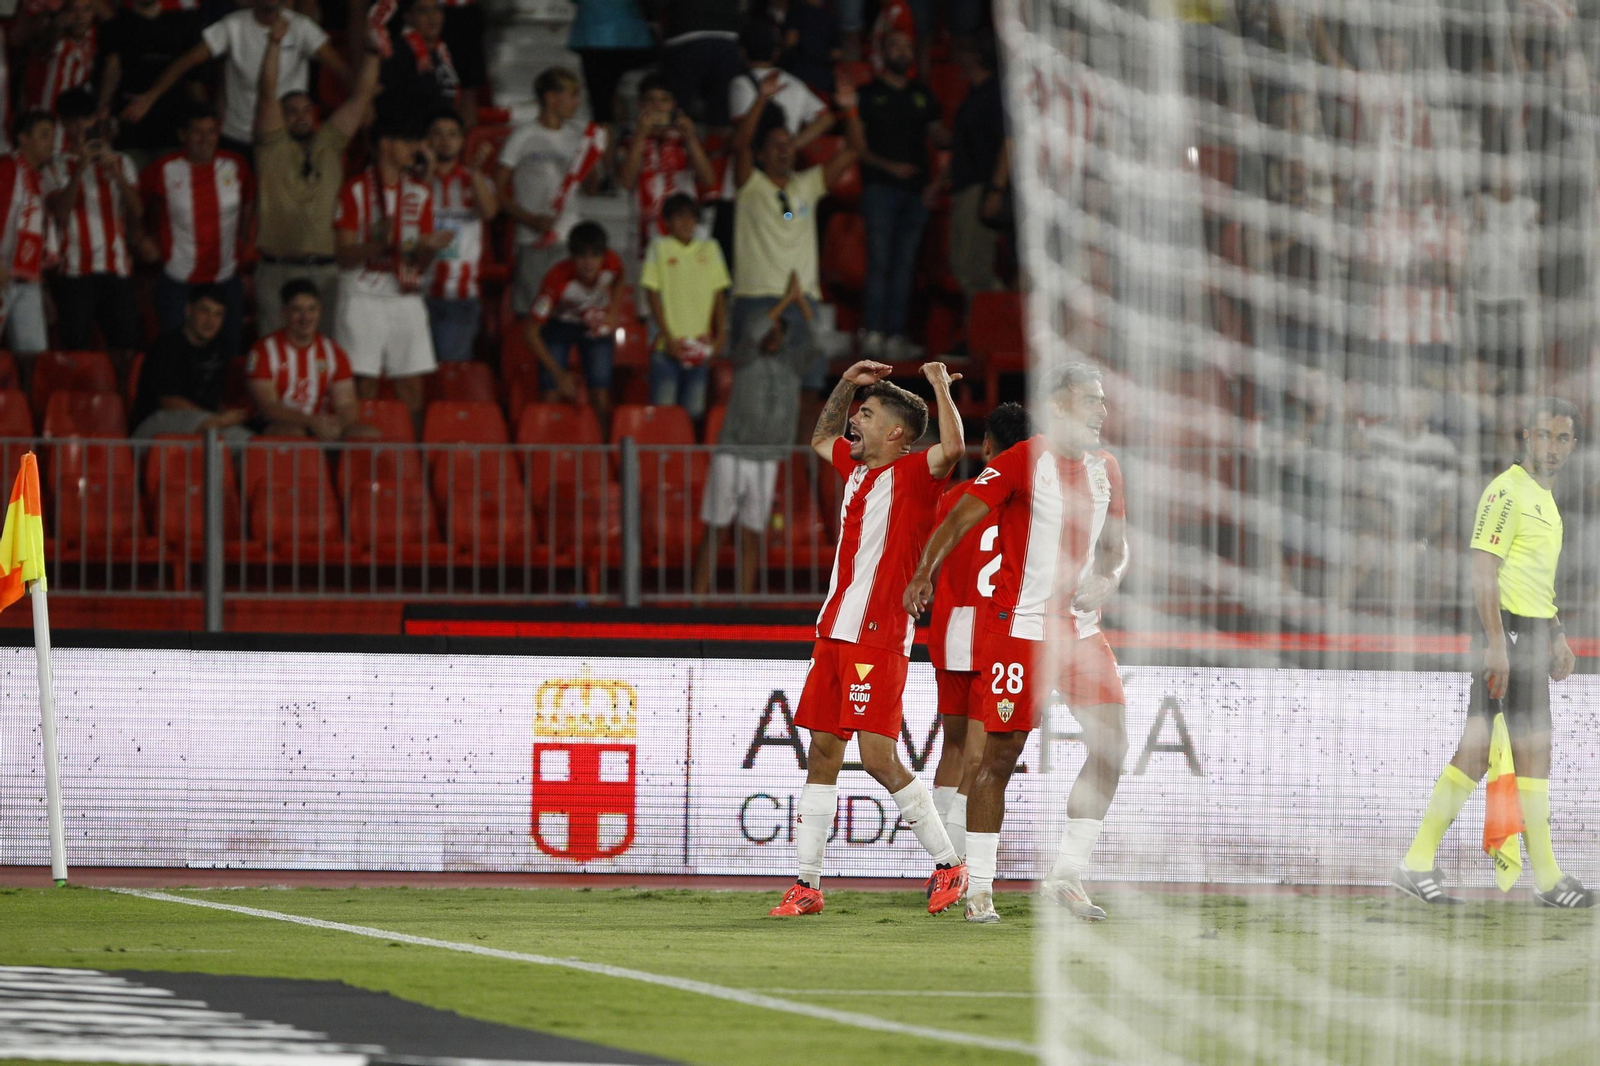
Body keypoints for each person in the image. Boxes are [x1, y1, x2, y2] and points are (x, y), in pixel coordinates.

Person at [905, 362, 1130, 924]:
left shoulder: (1106, 468)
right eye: (1091, 400)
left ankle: (1066, 876)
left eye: (1103, 400)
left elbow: (1116, 547)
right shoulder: (1023, 460)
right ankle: (979, 888)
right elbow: (959, 518)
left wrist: (1110, 578)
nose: (1101, 410)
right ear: (1059, 405)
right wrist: (924, 572)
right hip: (1021, 630)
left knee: (1112, 747)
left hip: (1080, 631)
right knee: (999, 758)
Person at [767, 357, 968, 919]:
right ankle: (807, 885)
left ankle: (949, 864)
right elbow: (820, 438)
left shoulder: (916, 473)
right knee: (822, 754)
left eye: (869, 413)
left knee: (877, 756)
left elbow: (953, 447)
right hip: (833, 631)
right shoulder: (856, 470)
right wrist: (845, 383)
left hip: (878, 636)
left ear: (896, 433)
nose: (856, 419)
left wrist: (937, 386)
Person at [1394, 398, 1591, 908]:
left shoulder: (1545, 500)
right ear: (1526, 437)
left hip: (1530, 637)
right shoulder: (1506, 491)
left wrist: (1556, 632)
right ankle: (1539, 878)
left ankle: (1426, 864)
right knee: (1506, 749)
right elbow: (1483, 569)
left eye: (1562, 438)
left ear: (1573, 444)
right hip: (1507, 638)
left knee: (1506, 751)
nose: (1552, 447)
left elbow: (1532, 580)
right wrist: (1497, 642)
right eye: (1543, 435)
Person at [925, 402, 1029, 858]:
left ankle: (940, 862)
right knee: (978, 757)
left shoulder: (954, 499)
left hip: (951, 632)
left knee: (951, 748)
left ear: (987, 447)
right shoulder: (1030, 501)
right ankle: (958, 864)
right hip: (996, 636)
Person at [730, 72, 860, 396]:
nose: (784, 149)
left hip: (803, 300)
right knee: (753, 386)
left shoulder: (808, 184)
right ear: (761, 155)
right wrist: (761, 99)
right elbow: (740, 144)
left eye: (788, 143)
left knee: (809, 386)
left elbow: (854, 148)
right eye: (775, 145)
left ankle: (802, 435)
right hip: (756, 297)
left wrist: (850, 110)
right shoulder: (750, 186)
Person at [255, 33, 382, 337]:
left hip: (326, 271)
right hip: (277, 268)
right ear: (280, 117)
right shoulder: (271, 147)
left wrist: (372, 50)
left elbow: (361, 97)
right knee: (273, 352)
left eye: (306, 110)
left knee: (325, 351)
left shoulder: (330, 143)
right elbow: (267, 93)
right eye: (291, 111)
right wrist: (274, 44)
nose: (301, 117)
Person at [691, 272, 808, 597]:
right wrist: (786, 301)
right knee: (716, 529)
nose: (771, 334)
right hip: (732, 453)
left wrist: (800, 304)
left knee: (753, 534)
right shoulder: (745, 357)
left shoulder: (792, 366)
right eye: (768, 329)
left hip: (767, 459)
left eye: (778, 331)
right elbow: (754, 328)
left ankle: (743, 605)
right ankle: (696, 603)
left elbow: (815, 344)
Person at [333, 113, 451, 420]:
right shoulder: (354, 190)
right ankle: (357, 447)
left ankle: (411, 449)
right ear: (385, 144)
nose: (415, 148)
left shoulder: (419, 193)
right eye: (408, 141)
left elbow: (418, 263)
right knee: (363, 384)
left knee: (411, 384)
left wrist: (428, 249)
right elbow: (342, 255)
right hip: (361, 293)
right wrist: (376, 244)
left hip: (405, 294)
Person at [121, 0, 350, 157]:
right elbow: (187, 61)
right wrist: (150, 97)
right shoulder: (233, 25)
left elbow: (342, 69)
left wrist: (363, 104)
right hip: (238, 138)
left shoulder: (301, 27)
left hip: (285, 140)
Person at [850, 28, 943, 360]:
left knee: (905, 266)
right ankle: (874, 333)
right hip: (879, 187)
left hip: (916, 191)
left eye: (906, 46)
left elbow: (940, 137)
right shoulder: (868, 93)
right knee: (880, 262)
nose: (902, 52)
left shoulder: (922, 94)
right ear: (882, 53)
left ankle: (896, 335)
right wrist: (891, 168)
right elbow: (858, 146)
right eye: (895, 46)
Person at [141, 108, 253, 358]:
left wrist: (244, 236)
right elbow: (135, 202)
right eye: (197, 132)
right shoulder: (164, 168)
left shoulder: (236, 164)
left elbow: (249, 200)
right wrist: (140, 237)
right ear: (183, 135)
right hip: (179, 278)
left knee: (229, 354)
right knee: (174, 354)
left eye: (211, 131)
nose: (205, 139)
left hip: (225, 276)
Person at [42, 88, 142, 357]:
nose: (79, 128)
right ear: (63, 124)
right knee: (76, 349)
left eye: (84, 120)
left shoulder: (121, 161)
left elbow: (137, 210)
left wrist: (117, 175)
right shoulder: (54, 168)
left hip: (116, 267)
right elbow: (60, 214)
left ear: (94, 120)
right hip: (74, 269)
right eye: (72, 122)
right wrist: (79, 170)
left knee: (125, 348)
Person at [499, 68, 604, 320]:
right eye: (572, 95)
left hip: (571, 240)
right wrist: (532, 220)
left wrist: (590, 158)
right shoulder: (523, 136)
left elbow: (590, 190)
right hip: (533, 240)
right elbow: (498, 191)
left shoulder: (576, 136)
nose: (577, 103)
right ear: (551, 98)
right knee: (533, 314)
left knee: (569, 316)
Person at [246, 278, 374, 440]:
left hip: (319, 424)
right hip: (277, 424)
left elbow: (346, 404)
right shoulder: (263, 350)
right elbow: (268, 408)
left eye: (312, 309)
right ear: (284, 313)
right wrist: (311, 421)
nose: (305, 317)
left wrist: (337, 424)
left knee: (366, 435)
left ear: (319, 311)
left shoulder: (334, 352)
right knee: (294, 434)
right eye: (297, 310)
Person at [524, 221, 625, 425]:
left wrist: (613, 312)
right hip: (559, 325)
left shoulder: (613, 263)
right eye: (582, 256)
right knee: (551, 392)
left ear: (603, 256)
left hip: (594, 324)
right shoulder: (555, 280)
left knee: (600, 392)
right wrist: (559, 374)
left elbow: (620, 279)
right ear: (572, 256)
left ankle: (603, 443)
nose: (589, 263)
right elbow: (530, 333)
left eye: (595, 256)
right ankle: (547, 441)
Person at [929, 33, 1004, 303]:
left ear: (976, 57)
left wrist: (995, 190)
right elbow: (962, 148)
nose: (957, 58)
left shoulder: (994, 94)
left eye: (963, 51)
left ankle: (1001, 319)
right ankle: (984, 322)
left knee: (975, 270)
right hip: (965, 187)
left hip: (980, 187)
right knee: (962, 266)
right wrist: (937, 184)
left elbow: (1008, 144)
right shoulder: (973, 95)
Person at [130, 283, 251, 441]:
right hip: (155, 426)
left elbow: (216, 401)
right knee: (212, 428)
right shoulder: (165, 346)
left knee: (247, 441)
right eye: (204, 311)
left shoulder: (220, 348)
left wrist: (231, 417)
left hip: (207, 425)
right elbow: (169, 402)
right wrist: (218, 420)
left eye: (218, 314)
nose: (210, 321)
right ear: (188, 310)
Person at [641, 194, 728, 416]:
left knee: (694, 414)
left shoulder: (711, 248)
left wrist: (721, 336)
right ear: (667, 221)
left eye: (691, 217)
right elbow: (652, 295)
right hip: (666, 347)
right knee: (664, 413)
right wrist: (668, 337)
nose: (687, 222)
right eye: (679, 217)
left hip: (699, 346)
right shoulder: (658, 247)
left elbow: (719, 295)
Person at [425, 110, 498, 363]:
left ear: (462, 141)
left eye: (452, 134)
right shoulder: (414, 180)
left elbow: (490, 212)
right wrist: (428, 170)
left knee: (450, 370)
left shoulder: (477, 180)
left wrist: (475, 173)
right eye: (437, 134)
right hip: (417, 292)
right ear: (427, 140)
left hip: (461, 295)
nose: (445, 141)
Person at [618, 74, 716, 259]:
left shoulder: (685, 137)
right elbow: (625, 182)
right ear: (640, 104)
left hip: (685, 229)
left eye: (664, 100)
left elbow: (708, 180)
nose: (657, 106)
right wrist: (641, 135)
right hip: (644, 230)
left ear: (673, 105)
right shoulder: (630, 138)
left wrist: (691, 137)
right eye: (651, 100)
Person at [95, 0, 204, 164]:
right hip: (131, 127)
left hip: (173, 127)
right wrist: (102, 111)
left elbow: (194, 78)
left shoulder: (184, 22)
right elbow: (112, 70)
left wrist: (202, 117)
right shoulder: (117, 24)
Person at [567, 0, 656, 155]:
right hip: (633, 37)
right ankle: (626, 138)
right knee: (612, 96)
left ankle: (608, 161)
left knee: (602, 109)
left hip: (594, 38)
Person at [0, 111, 56, 356]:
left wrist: (42, 287)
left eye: (52, 136)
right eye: (44, 135)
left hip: (27, 278)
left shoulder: (40, 179)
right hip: (2, 272)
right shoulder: (7, 168)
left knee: (33, 353)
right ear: (23, 138)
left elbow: (35, 238)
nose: (51, 142)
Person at [728, 19, 829, 138]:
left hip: (755, 150)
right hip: (785, 148)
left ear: (742, 53)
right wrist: (792, 145)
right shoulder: (794, 83)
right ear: (775, 54)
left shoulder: (740, 84)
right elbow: (825, 119)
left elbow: (741, 137)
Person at [651, 0, 742, 131]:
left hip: (685, 32)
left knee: (675, 107)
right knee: (721, 112)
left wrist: (654, 20)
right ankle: (716, 142)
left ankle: (671, 141)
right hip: (727, 35)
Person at [379, 0, 459, 118]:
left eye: (437, 9)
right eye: (423, 11)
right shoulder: (398, 52)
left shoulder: (443, 50)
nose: (432, 17)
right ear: (408, 17)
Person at [23, 0, 97, 113]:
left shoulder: (91, 39)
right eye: (73, 10)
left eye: (86, 9)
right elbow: (42, 48)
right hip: (44, 114)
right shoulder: (55, 39)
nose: (80, 16)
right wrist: (56, 27)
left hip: (71, 117)